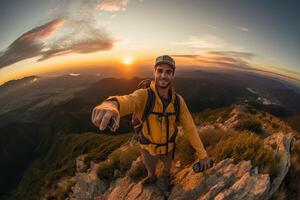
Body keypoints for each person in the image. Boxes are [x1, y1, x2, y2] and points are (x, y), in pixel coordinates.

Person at [91, 55, 212, 187]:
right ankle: (152, 177)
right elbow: (129, 100)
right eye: (160, 71)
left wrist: (203, 155)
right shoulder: (144, 96)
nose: (163, 75)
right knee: (150, 169)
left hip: (168, 147)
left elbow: (190, 129)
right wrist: (112, 103)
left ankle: (166, 178)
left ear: (173, 75)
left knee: (167, 169)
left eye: (168, 72)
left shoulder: (178, 102)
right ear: (154, 72)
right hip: (147, 148)